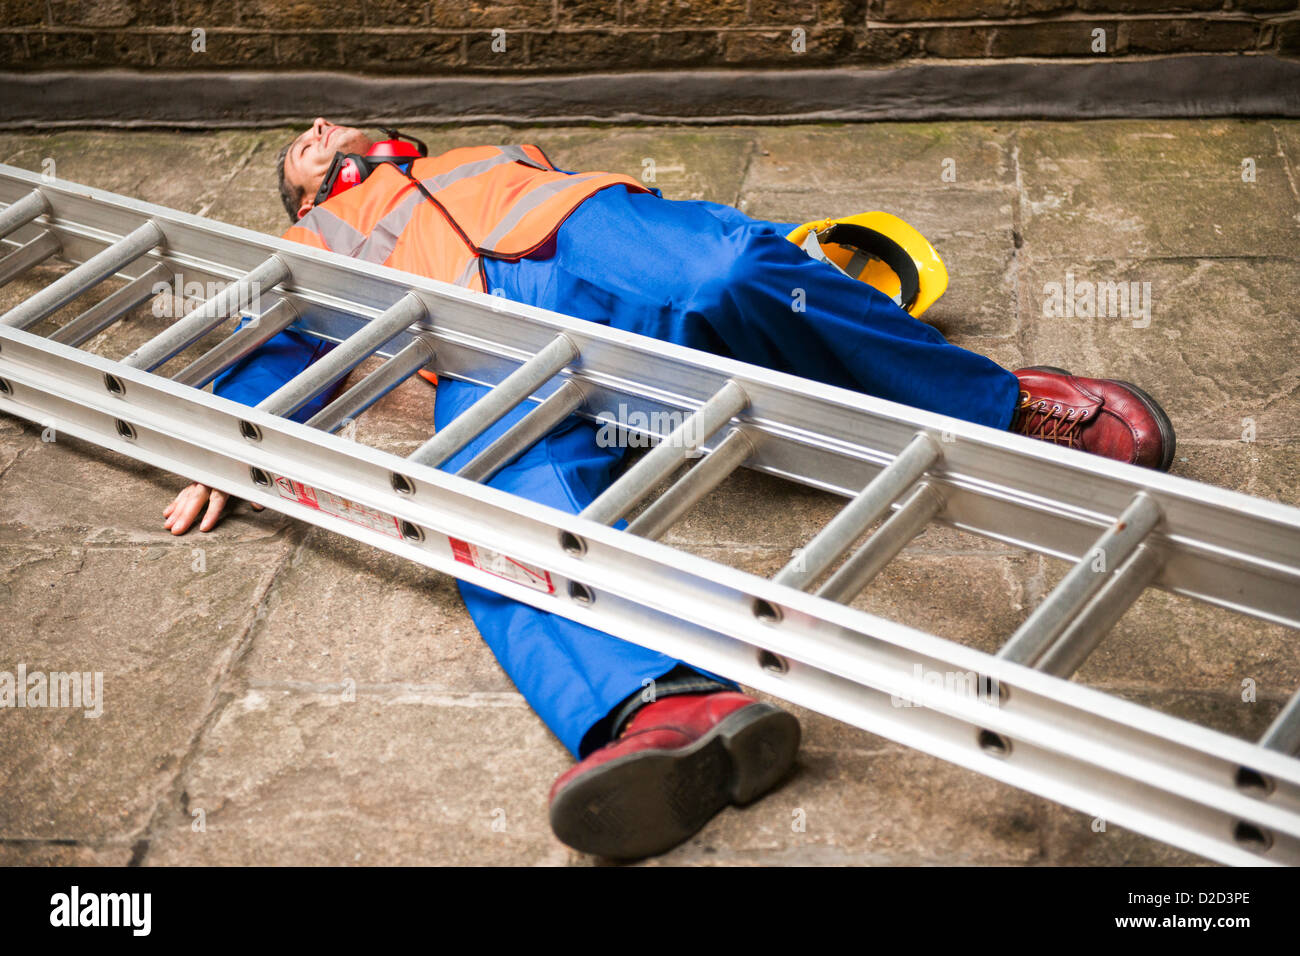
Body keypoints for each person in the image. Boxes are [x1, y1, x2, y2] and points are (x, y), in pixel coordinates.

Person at [162, 119, 1176, 860]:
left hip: (595, 251)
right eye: (301, 141)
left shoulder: (483, 157)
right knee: (481, 493)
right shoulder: (307, 247)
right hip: (491, 353)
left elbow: (743, 255)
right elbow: (276, 354)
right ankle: (660, 704)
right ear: (301, 195)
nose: (320, 130)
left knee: (729, 273)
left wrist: (820, 259)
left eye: (329, 125)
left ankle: (998, 408)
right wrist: (223, 443)